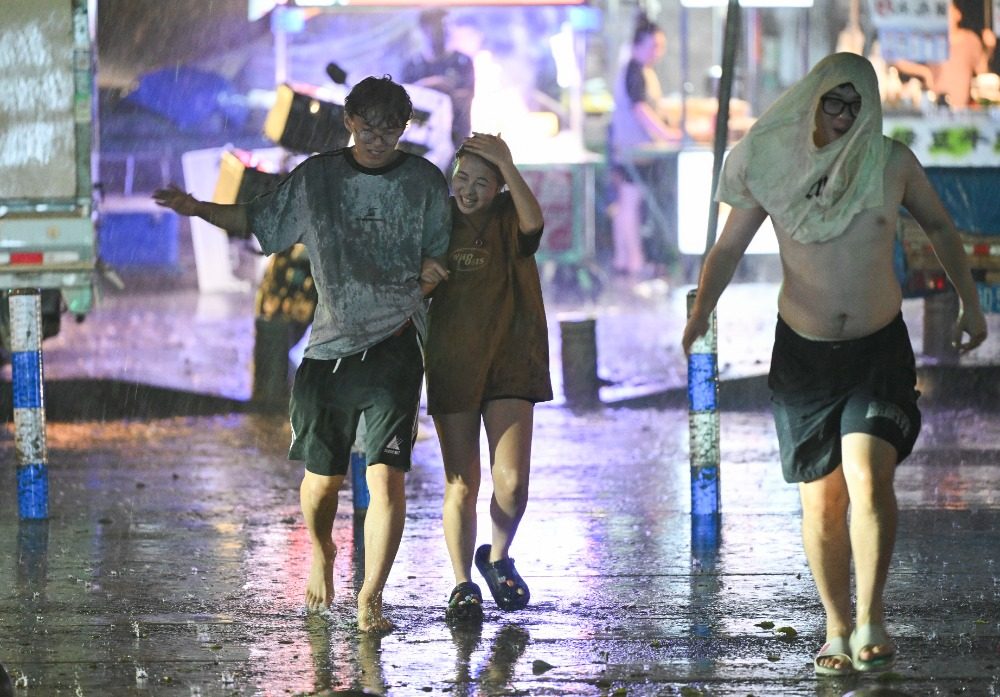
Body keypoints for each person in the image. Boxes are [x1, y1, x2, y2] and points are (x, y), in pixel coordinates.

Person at [681, 53, 987, 676]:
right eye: (834, 102)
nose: (846, 116)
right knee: (822, 503)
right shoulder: (776, 163)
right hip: (804, 354)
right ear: (812, 99)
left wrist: (969, 303)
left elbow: (940, 226)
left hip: (878, 349)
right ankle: (837, 625)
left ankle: (872, 616)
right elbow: (730, 246)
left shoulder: (890, 162)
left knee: (869, 475)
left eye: (856, 104)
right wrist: (699, 315)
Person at [152, 76, 452, 632]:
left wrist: (435, 273)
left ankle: (370, 598)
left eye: (391, 131)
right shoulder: (318, 179)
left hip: (397, 348)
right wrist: (196, 207)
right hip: (328, 353)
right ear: (349, 123)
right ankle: (322, 550)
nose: (380, 140)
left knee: (387, 477)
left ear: (405, 130)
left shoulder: (424, 183)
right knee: (321, 484)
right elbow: (256, 220)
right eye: (369, 129)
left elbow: (443, 252)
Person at [423, 133, 552, 621]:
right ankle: (462, 582)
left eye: (482, 182)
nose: (468, 191)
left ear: (500, 186)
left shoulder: (508, 217)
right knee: (462, 482)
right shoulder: (436, 220)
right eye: (462, 178)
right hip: (454, 360)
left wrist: (507, 161)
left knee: (512, 483)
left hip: (512, 361)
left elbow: (535, 225)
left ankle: (497, 557)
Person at [608, 17, 683, 278]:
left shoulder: (642, 70)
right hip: (631, 150)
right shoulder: (634, 71)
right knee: (629, 203)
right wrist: (667, 134)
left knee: (625, 203)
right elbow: (640, 109)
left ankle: (623, 259)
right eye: (654, 45)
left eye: (661, 46)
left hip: (632, 149)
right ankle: (635, 262)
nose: (658, 52)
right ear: (638, 45)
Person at [402, 9, 476, 153]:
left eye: (447, 25)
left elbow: (465, 99)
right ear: (424, 28)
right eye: (438, 26)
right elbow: (403, 103)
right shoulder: (411, 65)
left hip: (456, 140)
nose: (444, 30)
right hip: (420, 142)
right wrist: (430, 86)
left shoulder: (462, 62)